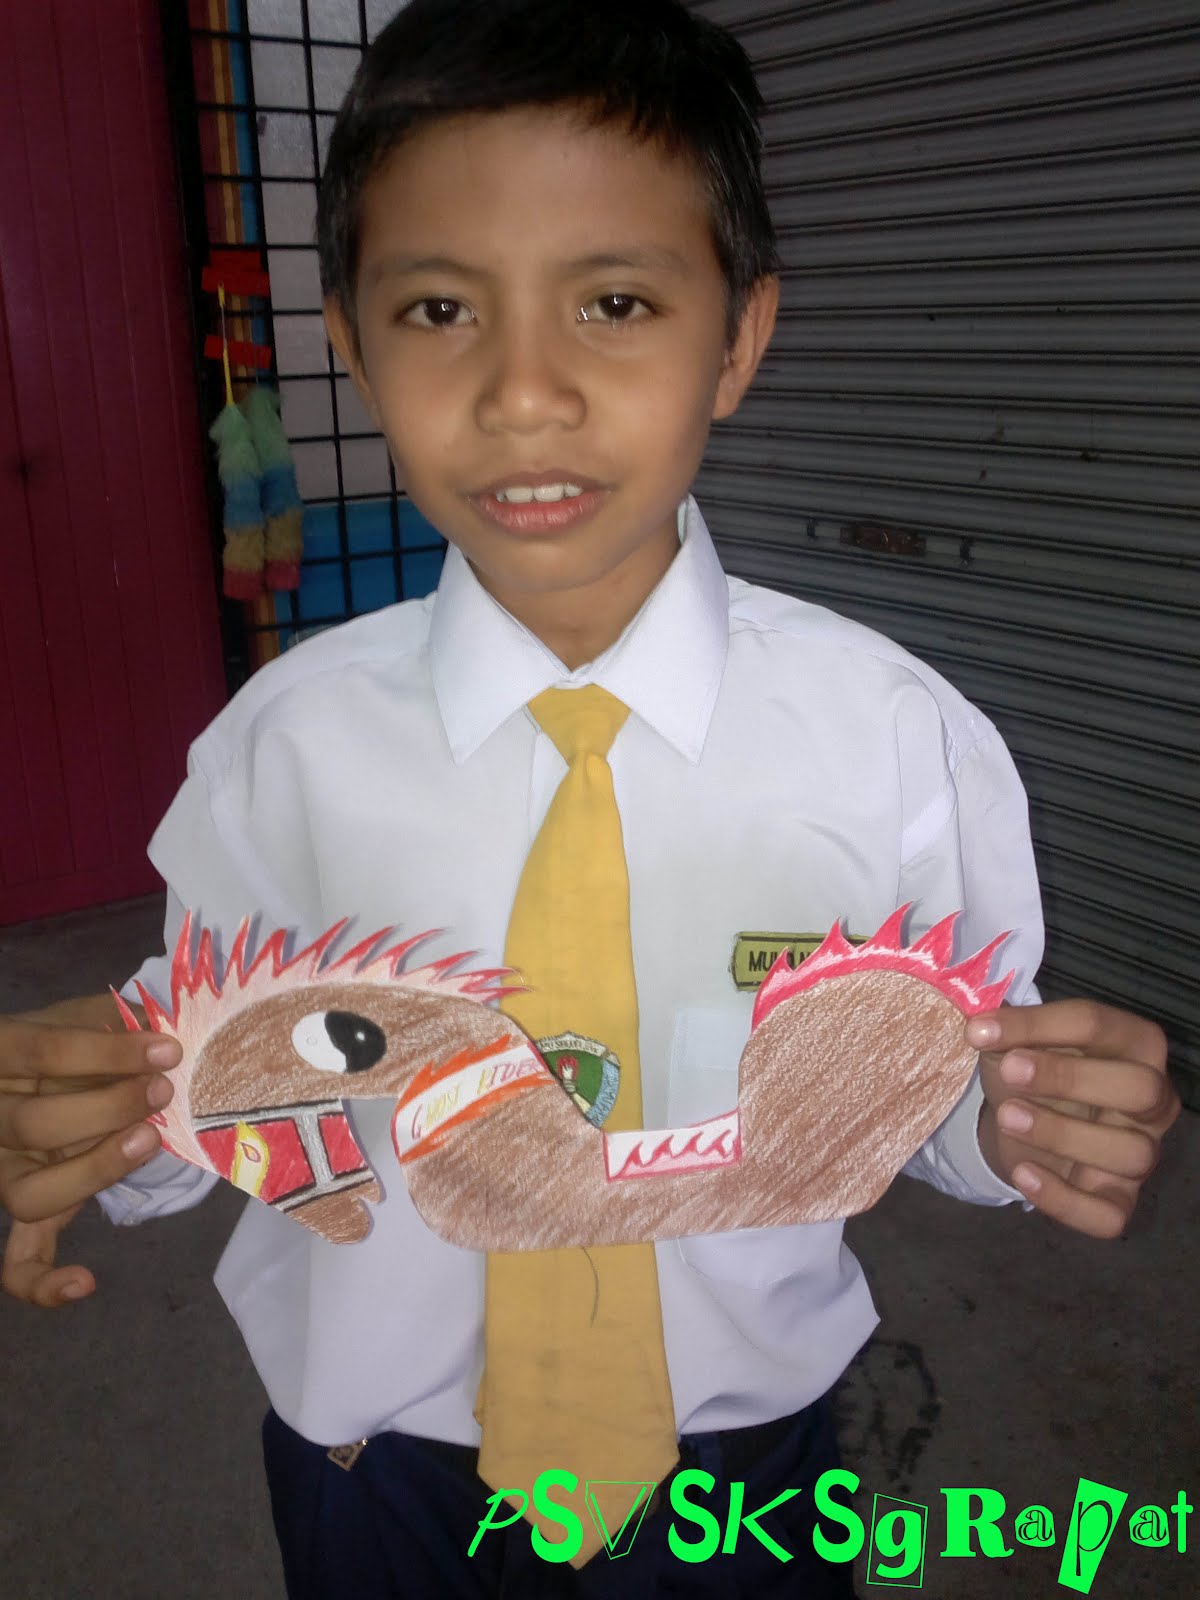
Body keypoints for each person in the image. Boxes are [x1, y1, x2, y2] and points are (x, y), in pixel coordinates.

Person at [0, 1, 1179, 1595]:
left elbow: (940, 1078)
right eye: (440, 309)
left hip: (747, 1469)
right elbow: (221, 1073)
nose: (524, 393)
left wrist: (1027, 1122)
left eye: (615, 302)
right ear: (351, 344)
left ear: (737, 341)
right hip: (378, 1477)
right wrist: (106, 1120)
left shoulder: (896, 737)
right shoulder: (282, 751)